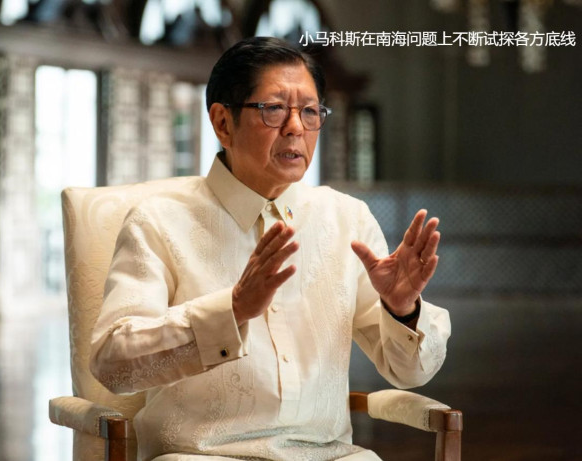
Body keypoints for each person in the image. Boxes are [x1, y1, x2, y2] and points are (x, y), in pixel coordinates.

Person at [89, 36, 451, 461]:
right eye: (274, 109)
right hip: (202, 456)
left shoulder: (347, 219)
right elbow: (113, 364)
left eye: (310, 111)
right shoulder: (158, 221)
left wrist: (402, 310)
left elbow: (411, 371)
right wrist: (233, 310)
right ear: (223, 123)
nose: (296, 127)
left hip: (329, 455)